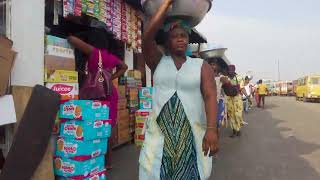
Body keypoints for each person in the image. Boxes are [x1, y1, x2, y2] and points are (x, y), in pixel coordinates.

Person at [139, 0, 219, 179]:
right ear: (167, 40)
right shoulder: (158, 62)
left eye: (184, 35)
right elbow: (146, 38)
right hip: (159, 136)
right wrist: (165, 5)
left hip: (191, 136)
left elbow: (210, 95)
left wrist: (212, 130)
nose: (181, 38)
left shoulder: (201, 66)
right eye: (175, 36)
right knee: (154, 171)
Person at [68, 29, 128, 170]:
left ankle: (94, 157)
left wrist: (74, 35)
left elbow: (72, 39)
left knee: (94, 123)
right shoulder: (111, 57)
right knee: (109, 125)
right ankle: (108, 162)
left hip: (96, 92)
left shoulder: (94, 52)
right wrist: (111, 78)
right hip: (109, 91)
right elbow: (124, 67)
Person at [226, 65, 244, 138]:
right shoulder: (226, 78)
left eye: (231, 71)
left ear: (234, 70)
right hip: (229, 98)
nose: (230, 72)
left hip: (237, 98)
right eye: (229, 71)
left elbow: (241, 88)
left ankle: (238, 128)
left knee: (238, 114)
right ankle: (234, 130)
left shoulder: (239, 78)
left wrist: (248, 97)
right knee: (231, 115)